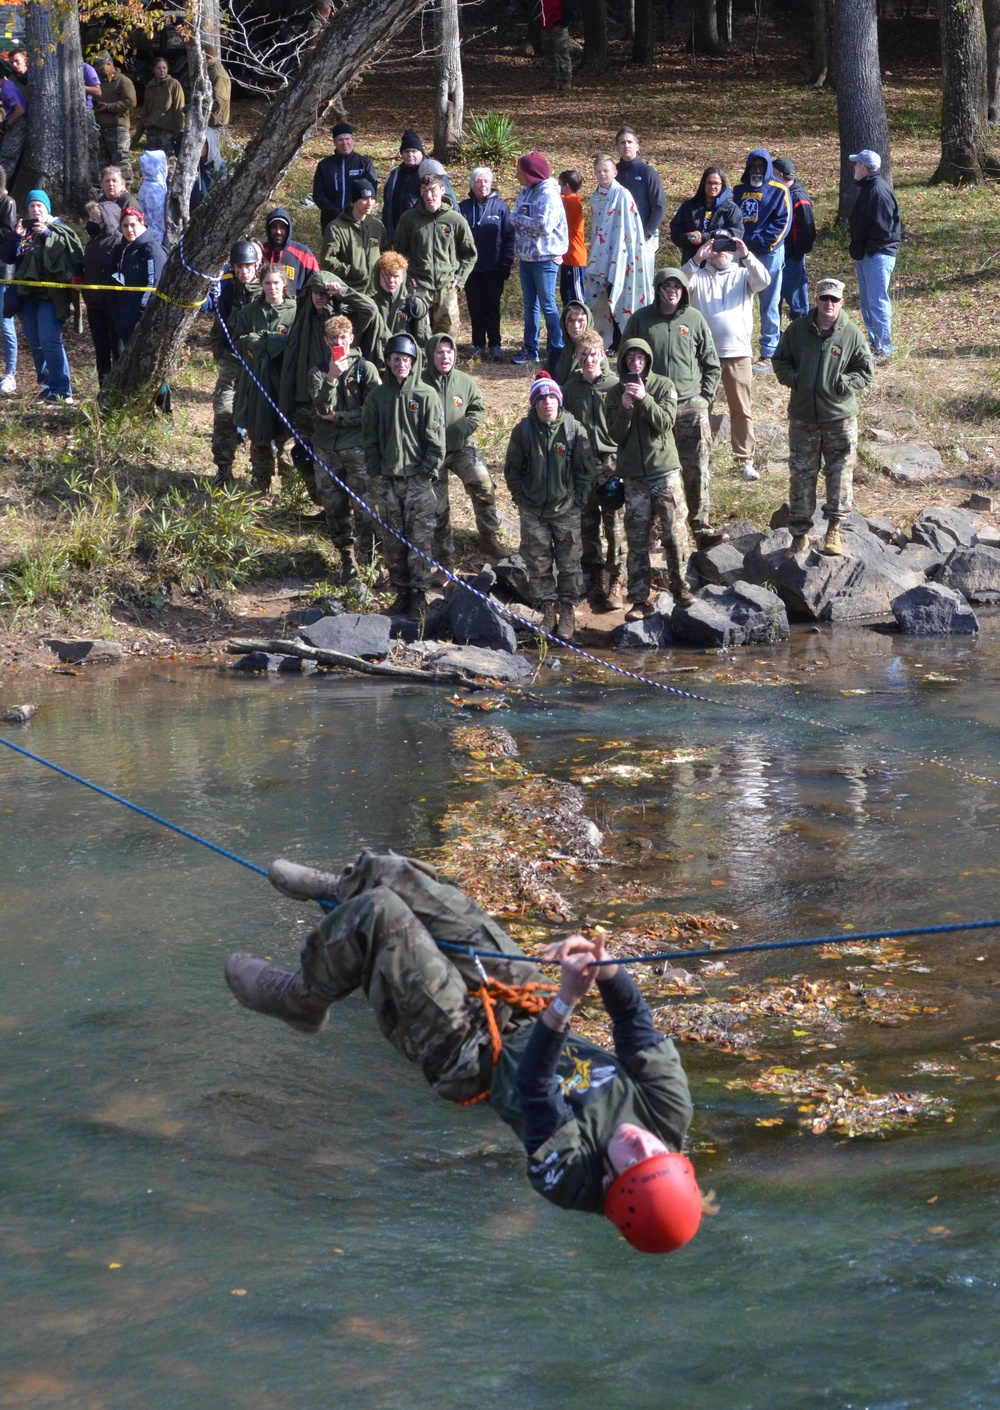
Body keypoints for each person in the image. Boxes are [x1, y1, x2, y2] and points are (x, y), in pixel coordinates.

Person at [225, 850, 709, 1255]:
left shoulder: (568, 1177)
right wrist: (603, 970)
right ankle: (341, 889)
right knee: (400, 880)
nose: (644, 1142)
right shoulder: (667, 1116)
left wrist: (566, 1002)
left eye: (636, 1158)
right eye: (659, 1151)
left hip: (470, 1053)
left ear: (611, 1184)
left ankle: (305, 1000)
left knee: (381, 917)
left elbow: (535, 1086)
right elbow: (634, 1025)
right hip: (531, 1009)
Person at [772, 277, 875, 557]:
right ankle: (800, 534)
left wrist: (842, 384)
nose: (828, 304)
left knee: (839, 474)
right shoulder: (797, 330)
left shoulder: (851, 333)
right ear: (816, 300)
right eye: (824, 299)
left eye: (834, 300)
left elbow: (865, 371)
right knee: (802, 475)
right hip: (803, 417)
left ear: (842, 302)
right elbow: (779, 360)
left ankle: (834, 530)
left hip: (839, 417)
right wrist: (797, 379)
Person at [620, 269, 722, 547]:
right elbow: (624, 356)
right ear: (658, 288)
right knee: (654, 470)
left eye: (678, 286)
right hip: (651, 405)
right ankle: (653, 531)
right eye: (667, 285)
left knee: (696, 467)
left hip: (689, 407)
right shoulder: (641, 319)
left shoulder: (694, 318)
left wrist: (704, 397)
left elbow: (711, 363)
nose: (673, 291)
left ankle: (700, 525)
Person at [606, 337, 695, 616]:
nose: (635, 363)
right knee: (636, 540)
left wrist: (645, 399)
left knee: (674, 534)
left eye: (640, 358)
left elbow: (665, 423)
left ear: (648, 360)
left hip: (664, 472)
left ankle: (681, 590)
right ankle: (639, 600)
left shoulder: (664, 386)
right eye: (630, 358)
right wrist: (625, 408)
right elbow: (615, 435)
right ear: (623, 362)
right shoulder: (614, 392)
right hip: (633, 478)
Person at [503, 375, 595, 642]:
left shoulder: (573, 429)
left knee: (569, 564)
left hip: (566, 508)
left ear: (559, 400)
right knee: (538, 564)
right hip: (533, 510)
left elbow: (585, 470)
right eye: (541, 398)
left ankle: (566, 611)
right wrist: (520, 498)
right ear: (534, 403)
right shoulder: (523, 431)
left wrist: (578, 500)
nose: (547, 403)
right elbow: (512, 470)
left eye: (552, 397)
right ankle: (546, 611)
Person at [361, 331, 446, 618]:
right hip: (387, 480)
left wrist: (425, 475)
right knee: (392, 539)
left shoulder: (426, 395)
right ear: (388, 361)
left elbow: (436, 442)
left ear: (414, 362)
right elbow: (369, 439)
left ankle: (419, 595)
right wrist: (376, 474)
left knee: (420, 539)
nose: (401, 364)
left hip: (418, 481)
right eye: (396, 359)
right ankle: (400, 592)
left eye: (406, 359)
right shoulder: (377, 397)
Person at [280, 270, 378, 499]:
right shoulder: (301, 315)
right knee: (305, 453)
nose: (320, 297)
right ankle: (322, 502)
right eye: (316, 292)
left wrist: (342, 292)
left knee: (341, 453)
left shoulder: (341, 321)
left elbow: (370, 309)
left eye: (325, 293)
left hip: (341, 394)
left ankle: (345, 507)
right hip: (307, 395)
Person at [684, 233, 770, 483]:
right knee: (701, 409)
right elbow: (677, 284)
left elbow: (765, 280)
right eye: (717, 245)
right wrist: (697, 258)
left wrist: (746, 255)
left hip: (738, 353)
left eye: (727, 246)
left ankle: (745, 461)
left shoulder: (743, 275)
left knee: (741, 408)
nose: (721, 251)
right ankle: (702, 459)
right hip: (704, 356)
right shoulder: (698, 275)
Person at [309, 313, 381, 580]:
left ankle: (371, 564)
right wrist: (331, 377)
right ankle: (346, 560)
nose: (339, 342)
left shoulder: (366, 369)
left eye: (343, 337)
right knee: (334, 507)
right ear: (327, 341)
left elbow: (372, 411)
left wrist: (341, 418)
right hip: (326, 450)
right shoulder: (318, 372)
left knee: (366, 509)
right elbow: (321, 408)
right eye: (334, 338)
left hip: (358, 449)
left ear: (351, 338)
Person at [422, 332, 503, 564]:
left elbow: (478, 409)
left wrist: (464, 426)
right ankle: (444, 555)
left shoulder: (464, 381)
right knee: (438, 504)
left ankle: (489, 539)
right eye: (439, 352)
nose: (445, 356)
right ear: (430, 355)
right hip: (430, 454)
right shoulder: (418, 382)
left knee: (483, 482)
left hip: (460, 448)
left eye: (449, 352)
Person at [0, 189, 84, 404]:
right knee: (35, 344)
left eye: (39, 205)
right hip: (26, 295)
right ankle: (47, 386)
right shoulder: (24, 232)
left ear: (47, 208)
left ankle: (62, 390)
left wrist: (47, 234)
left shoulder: (58, 229)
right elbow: (7, 257)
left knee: (50, 340)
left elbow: (69, 253)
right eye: (31, 206)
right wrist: (16, 237)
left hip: (50, 295)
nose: (36, 210)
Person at [562, 329, 623, 612]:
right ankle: (595, 579)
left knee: (615, 526)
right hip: (582, 466)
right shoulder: (569, 389)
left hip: (611, 463)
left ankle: (617, 581)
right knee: (588, 525)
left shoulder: (614, 386)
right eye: (583, 355)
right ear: (577, 357)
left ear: (602, 355)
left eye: (594, 354)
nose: (589, 360)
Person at [234, 266, 298, 494]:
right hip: (256, 383)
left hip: (284, 384)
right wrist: (259, 344)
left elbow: (295, 345)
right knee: (259, 436)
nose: (272, 288)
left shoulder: (295, 312)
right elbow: (239, 343)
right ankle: (261, 487)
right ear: (261, 285)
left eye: (276, 283)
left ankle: (291, 490)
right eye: (268, 283)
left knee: (286, 438)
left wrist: (272, 343)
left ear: (284, 285)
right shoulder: (249, 312)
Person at [393, 173, 477, 336]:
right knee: (418, 333)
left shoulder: (455, 220)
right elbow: (399, 253)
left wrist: (459, 279)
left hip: (446, 287)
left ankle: (445, 362)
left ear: (442, 190)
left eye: (433, 190)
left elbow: (470, 254)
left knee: (447, 336)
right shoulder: (409, 219)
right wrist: (408, 279)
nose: (429, 196)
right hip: (419, 287)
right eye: (424, 191)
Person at [732, 148, 791, 373]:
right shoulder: (737, 191)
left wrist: (758, 241)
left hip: (768, 253)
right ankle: (738, 348)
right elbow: (730, 218)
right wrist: (739, 244)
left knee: (769, 303)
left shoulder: (780, 190)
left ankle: (769, 352)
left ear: (768, 168)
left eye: (761, 166)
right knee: (737, 301)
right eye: (754, 166)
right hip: (741, 254)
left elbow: (782, 224)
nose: (757, 170)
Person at [584, 153, 648, 351]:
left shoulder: (622, 194)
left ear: (615, 172)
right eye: (598, 171)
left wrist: (623, 252)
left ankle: (623, 339)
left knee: (621, 294)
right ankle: (608, 339)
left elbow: (629, 226)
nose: (602, 174)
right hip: (601, 253)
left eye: (606, 171)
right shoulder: (596, 197)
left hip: (621, 253)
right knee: (601, 296)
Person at [510, 151, 568, 368]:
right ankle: (530, 349)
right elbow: (521, 214)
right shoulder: (526, 191)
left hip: (546, 259)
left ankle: (557, 348)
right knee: (529, 305)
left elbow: (544, 226)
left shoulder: (549, 195)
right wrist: (520, 218)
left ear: (531, 173)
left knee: (547, 304)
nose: (517, 175)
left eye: (520, 171)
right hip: (526, 258)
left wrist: (517, 219)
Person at [211, 239, 261, 486]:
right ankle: (223, 470)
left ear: (256, 266)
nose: (244, 271)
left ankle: (260, 477)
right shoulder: (228, 292)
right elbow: (218, 327)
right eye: (239, 266)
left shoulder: (266, 293)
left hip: (259, 367)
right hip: (232, 362)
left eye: (248, 266)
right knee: (223, 415)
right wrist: (220, 351)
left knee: (259, 421)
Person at [847, 148, 901, 363]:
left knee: (877, 301)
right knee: (868, 302)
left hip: (878, 255)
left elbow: (883, 229)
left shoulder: (877, 191)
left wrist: (867, 249)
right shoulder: (869, 188)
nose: (854, 168)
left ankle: (884, 348)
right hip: (869, 255)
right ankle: (877, 343)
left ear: (863, 166)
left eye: (856, 164)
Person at [459, 166, 514, 360]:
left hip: (495, 268)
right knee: (475, 307)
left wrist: (507, 262)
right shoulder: (463, 207)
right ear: (472, 184)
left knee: (493, 307)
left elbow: (509, 237)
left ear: (491, 184)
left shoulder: (501, 208)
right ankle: (478, 345)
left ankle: (496, 345)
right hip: (471, 269)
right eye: (478, 181)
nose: (483, 185)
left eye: (486, 181)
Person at [615, 127, 666, 284]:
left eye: (630, 142)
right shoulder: (613, 172)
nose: (626, 145)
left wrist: (647, 233)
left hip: (644, 237)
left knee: (643, 282)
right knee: (620, 282)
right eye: (622, 142)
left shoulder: (647, 172)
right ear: (617, 147)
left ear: (637, 146)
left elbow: (659, 206)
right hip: (618, 237)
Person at [83, 198, 125, 387]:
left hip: (113, 307)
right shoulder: (92, 243)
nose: (91, 222)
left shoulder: (118, 242)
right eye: (90, 217)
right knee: (101, 352)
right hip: (94, 305)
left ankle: (119, 390)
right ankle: (104, 392)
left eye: (96, 218)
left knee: (118, 351)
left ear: (108, 219)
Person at [110, 205, 166, 347]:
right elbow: (111, 280)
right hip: (121, 319)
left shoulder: (152, 250)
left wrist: (139, 314)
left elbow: (153, 285)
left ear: (142, 223)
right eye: (125, 226)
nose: (129, 230)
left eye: (133, 225)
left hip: (142, 321)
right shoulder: (120, 249)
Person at [312, 122, 378, 233]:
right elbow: (318, 195)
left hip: (358, 218)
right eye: (340, 140)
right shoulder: (325, 165)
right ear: (334, 143)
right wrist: (336, 213)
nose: (344, 143)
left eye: (347, 139)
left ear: (353, 140)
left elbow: (371, 191)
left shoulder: (364, 163)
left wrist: (354, 212)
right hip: (332, 220)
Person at [322, 178, 385, 294]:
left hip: (375, 292)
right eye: (365, 198)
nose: (370, 203)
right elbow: (327, 259)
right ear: (355, 200)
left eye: (372, 198)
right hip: (349, 291)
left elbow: (385, 255)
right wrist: (351, 271)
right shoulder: (336, 227)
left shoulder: (377, 226)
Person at [772, 157, 815, 322]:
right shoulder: (779, 194)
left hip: (792, 260)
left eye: (772, 173)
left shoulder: (799, 198)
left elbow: (808, 232)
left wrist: (796, 255)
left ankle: (803, 337)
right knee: (774, 301)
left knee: (798, 306)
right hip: (778, 257)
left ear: (780, 175)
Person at [668, 166, 744, 259]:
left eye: (716, 183)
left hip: (720, 263)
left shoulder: (731, 209)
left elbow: (736, 234)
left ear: (722, 185)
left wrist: (704, 237)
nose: (712, 186)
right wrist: (688, 237)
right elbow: (675, 230)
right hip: (692, 260)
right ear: (703, 184)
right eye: (709, 183)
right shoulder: (689, 206)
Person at [371, 251, 430, 364]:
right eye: (386, 275)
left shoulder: (414, 305)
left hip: (405, 368)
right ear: (379, 275)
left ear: (403, 277)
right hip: (377, 368)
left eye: (396, 276)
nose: (391, 280)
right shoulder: (370, 305)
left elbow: (423, 344)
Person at [92, 54, 137, 186]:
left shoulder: (123, 81)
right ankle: (107, 189)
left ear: (109, 64)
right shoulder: (99, 82)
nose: (99, 71)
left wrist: (109, 107)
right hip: (101, 128)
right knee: (103, 162)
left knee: (121, 160)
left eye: (101, 68)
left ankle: (125, 188)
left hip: (118, 128)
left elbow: (131, 102)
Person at [261, 207, 320, 296]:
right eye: (274, 227)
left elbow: (317, 283)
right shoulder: (260, 252)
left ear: (289, 229)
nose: (278, 231)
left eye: (282, 227)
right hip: (263, 307)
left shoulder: (304, 254)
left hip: (295, 308)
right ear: (268, 229)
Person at [381, 130, 426, 245]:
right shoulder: (396, 173)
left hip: (423, 235)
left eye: (414, 151)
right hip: (398, 234)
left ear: (421, 152)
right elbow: (387, 206)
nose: (410, 154)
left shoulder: (430, 171)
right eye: (406, 151)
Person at [136, 56, 185, 157]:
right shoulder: (150, 86)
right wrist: (137, 136)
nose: (162, 70)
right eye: (159, 68)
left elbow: (179, 109)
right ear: (154, 70)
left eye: (164, 68)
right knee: (153, 162)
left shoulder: (173, 84)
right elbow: (145, 111)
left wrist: (178, 132)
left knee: (169, 162)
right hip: (152, 131)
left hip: (167, 131)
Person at [552, 299, 608, 386]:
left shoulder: (596, 353)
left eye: (581, 321)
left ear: (588, 321)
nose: (576, 326)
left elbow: (605, 382)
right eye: (571, 320)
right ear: (564, 323)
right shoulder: (556, 355)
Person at [0, 165, 18, 394]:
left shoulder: (7, 202)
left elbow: (8, 232)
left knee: (5, 324)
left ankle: (10, 373)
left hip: (2, 271)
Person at [557, 169, 586, 308]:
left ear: (566, 186)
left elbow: (554, 197)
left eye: (560, 184)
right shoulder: (568, 201)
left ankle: (584, 325)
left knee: (577, 297)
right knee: (566, 295)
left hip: (575, 257)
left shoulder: (572, 202)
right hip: (566, 256)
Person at [0, 48, 27, 181]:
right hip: (14, 123)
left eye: (17, 61)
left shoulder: (7, 88)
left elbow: (19, 110)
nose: (14, 65)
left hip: (18, 124)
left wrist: (7, 126)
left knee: (6, 158)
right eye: (11, 63)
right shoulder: (9, 83)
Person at [537, 0, 574, 91]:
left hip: (558, 24)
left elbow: (569, 6)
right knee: (548, 52)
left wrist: (564, 22)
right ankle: (552, 80)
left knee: (562, 52)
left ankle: (566, 80)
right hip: (545, 24)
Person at [136, 148, 167, 246]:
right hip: (157, 237)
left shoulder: (146, 184)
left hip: (147, 233)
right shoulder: (156, 189)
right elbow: (160, 219)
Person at [204, 44, 231, 140]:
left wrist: (198, 107)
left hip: (215, 122)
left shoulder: (218, 74)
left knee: (211, 152)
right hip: (210, 121)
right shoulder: (210, 71)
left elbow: (218, 103)